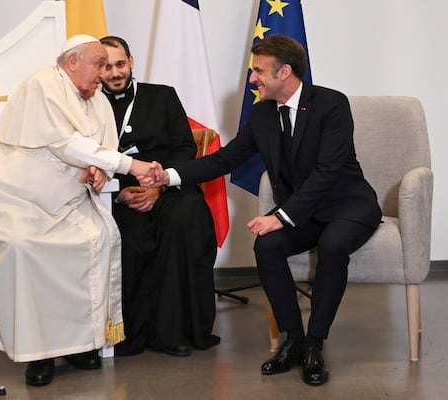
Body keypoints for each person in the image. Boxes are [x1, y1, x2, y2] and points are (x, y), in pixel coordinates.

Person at [145, 34, 382, 385]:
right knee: (266, 247)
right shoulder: (262, 114)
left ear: (284, 71)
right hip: (306, 212)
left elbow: (327, 173)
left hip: (347, 205)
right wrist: (168, 175)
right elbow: (225, 159)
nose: (252, 79)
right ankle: (294, 340)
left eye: (258, 71)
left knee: (333, 246)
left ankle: (316, 343)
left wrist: (280, 217)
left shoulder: (331, 104)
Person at [0, 34, 157, 387]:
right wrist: (131, 166)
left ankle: (80, 344)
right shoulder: (44, 84)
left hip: (66, 200)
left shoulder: (95, 98)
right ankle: (39, 354)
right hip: (16, 200)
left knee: (96, 239)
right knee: (26, 249)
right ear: (72, 62)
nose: (102, 74)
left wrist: (103, 168)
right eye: (98, 65)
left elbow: (100, 147)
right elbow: (66, 144)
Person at [99, 35, 220, 357]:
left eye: (120, 64)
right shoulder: (88, 105)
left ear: (131, 62)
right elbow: (90, 159)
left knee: (185, 219)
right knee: (130, 233)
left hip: (168, 186)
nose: (115, 73)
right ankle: (131, 334)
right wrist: (120, 194)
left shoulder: (163, 96)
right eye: (107, 66)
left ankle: (175, 332)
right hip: (119, 194)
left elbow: (184, 147)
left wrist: (160, 185)